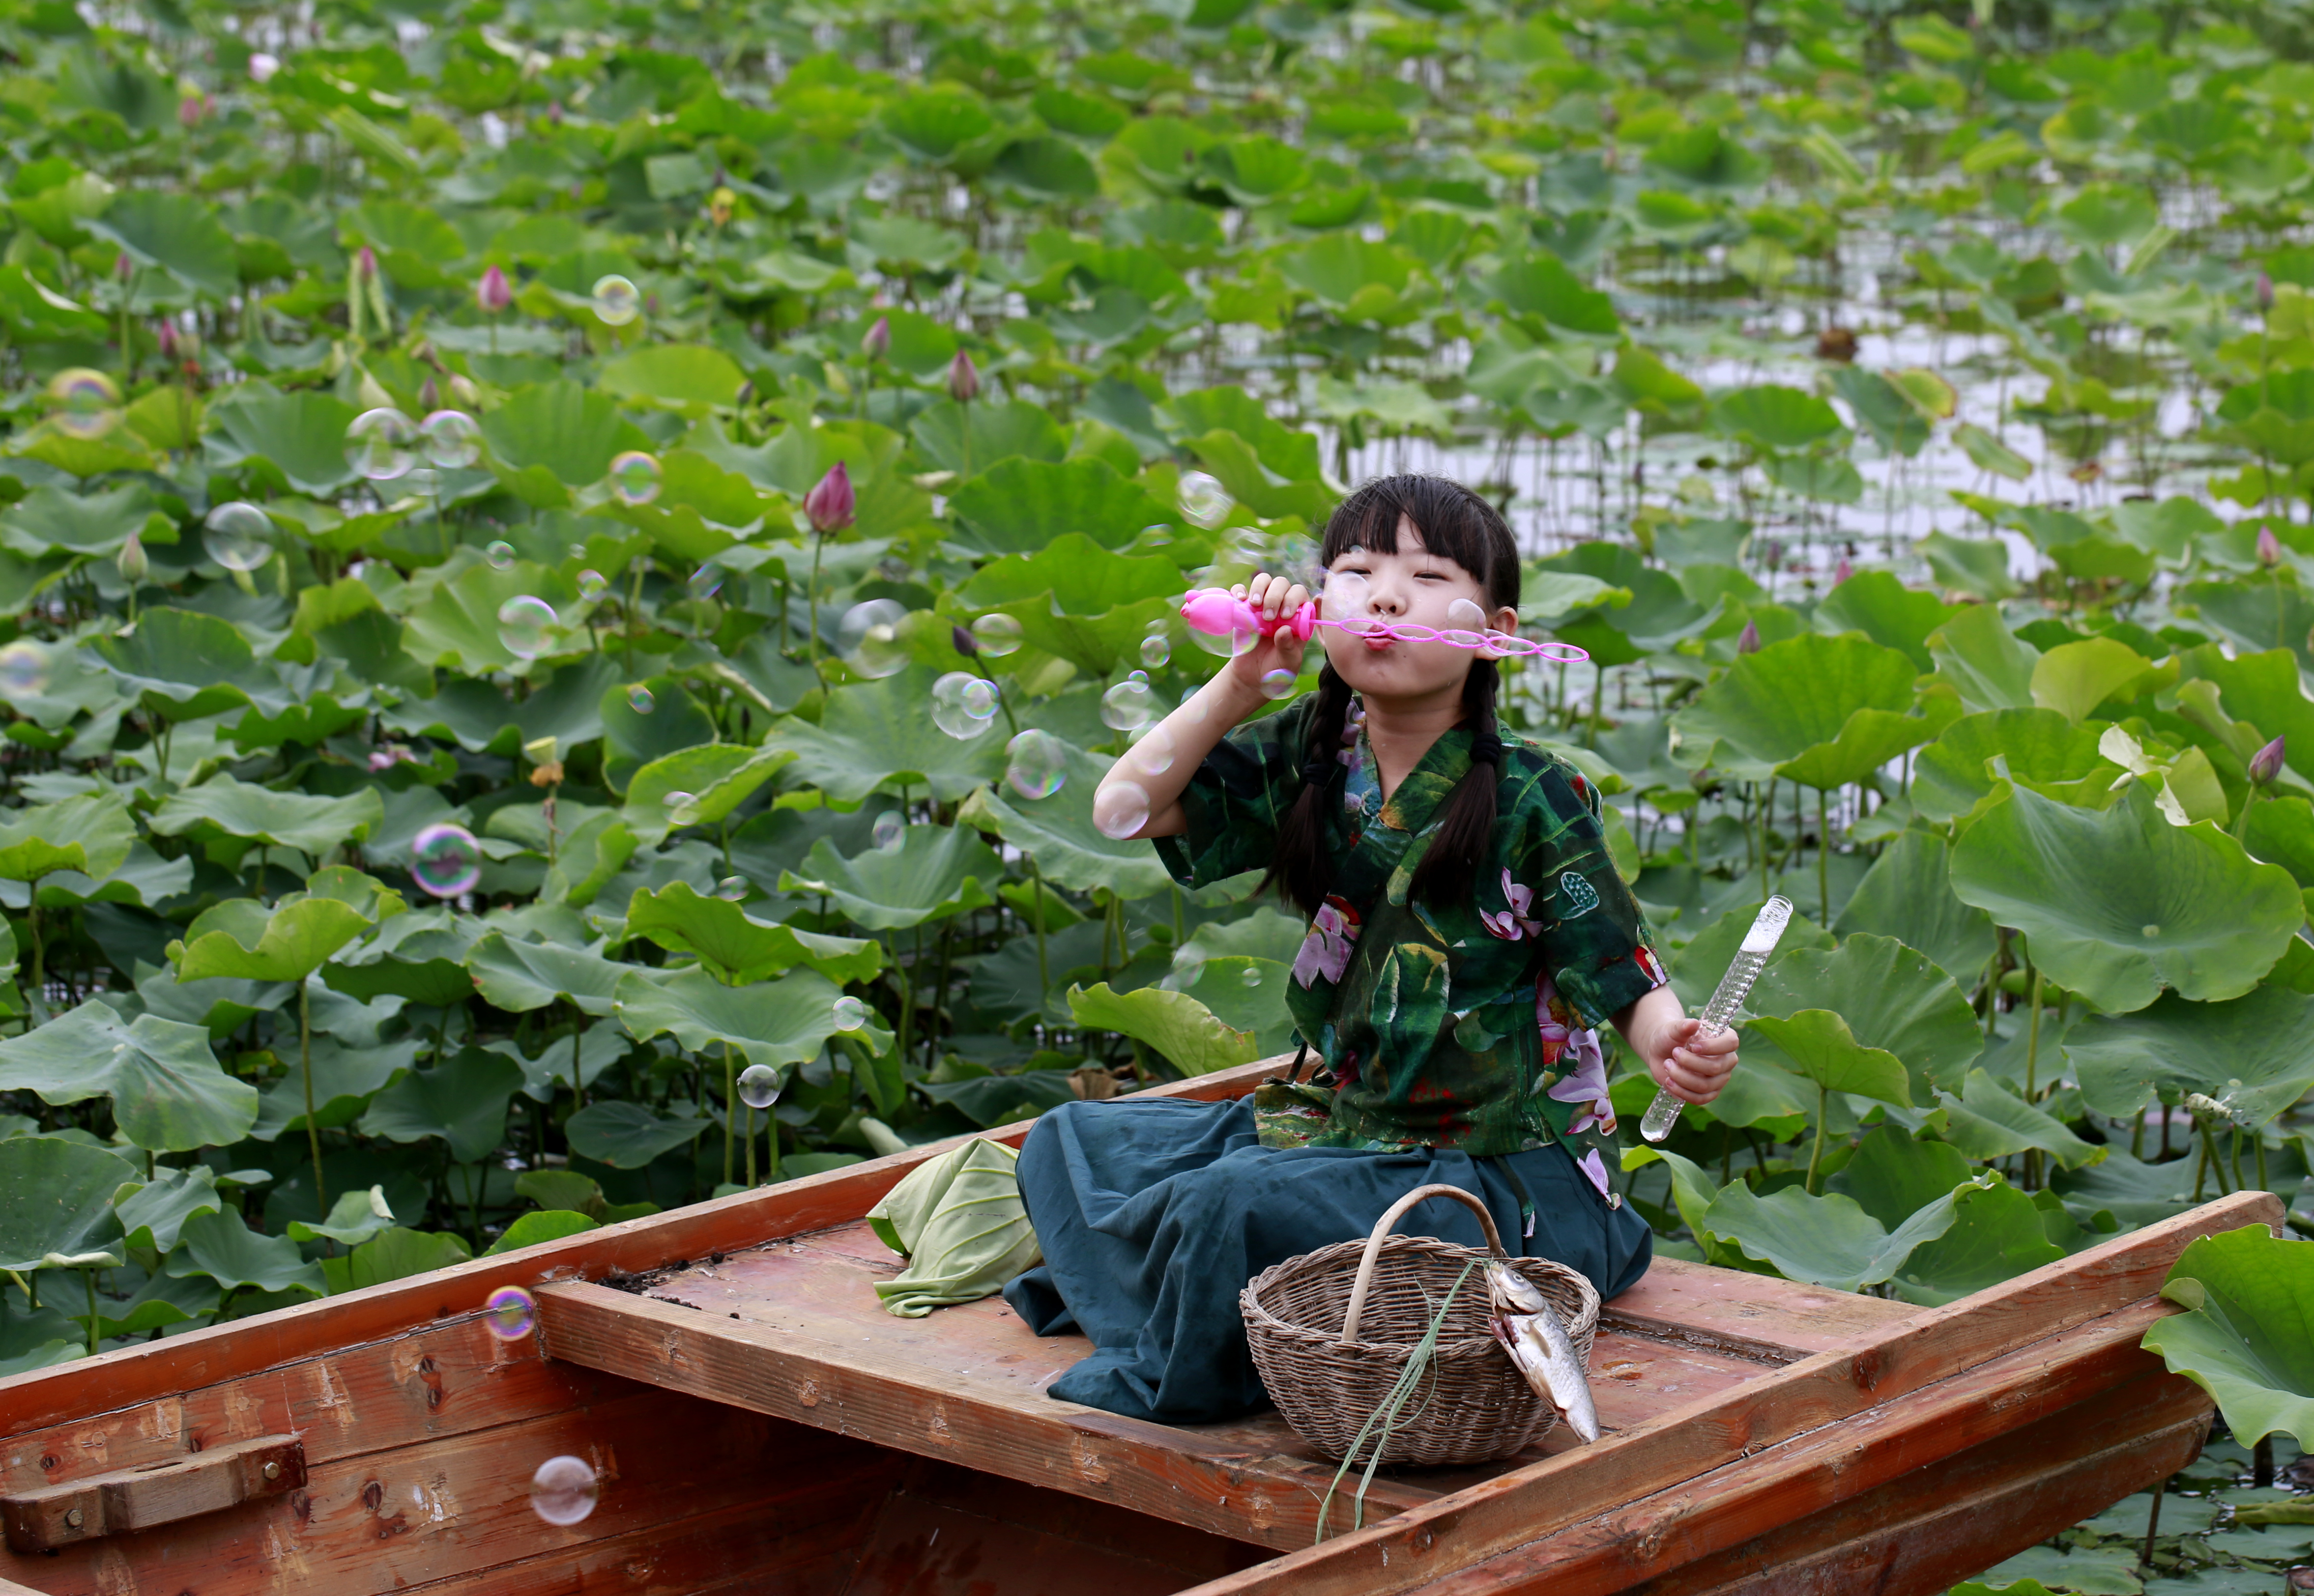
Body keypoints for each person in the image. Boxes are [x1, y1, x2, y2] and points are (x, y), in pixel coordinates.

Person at [1001, 475, 1740, 1425]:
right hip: (1348, 1129)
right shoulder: (1312, 754)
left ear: (1496, 628)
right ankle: (1235, 1304)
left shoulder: (1536, 794)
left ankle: (1213, 1322)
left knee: (1220, 1210)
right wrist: (1239, 681)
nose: (1386, 595)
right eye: (1355, 571)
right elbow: (1121, 810)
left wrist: (1673, 1043)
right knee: (1073, 1140)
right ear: (1321, 609)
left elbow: (1623, 973)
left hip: (1495, 1179)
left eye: (1428, 575)